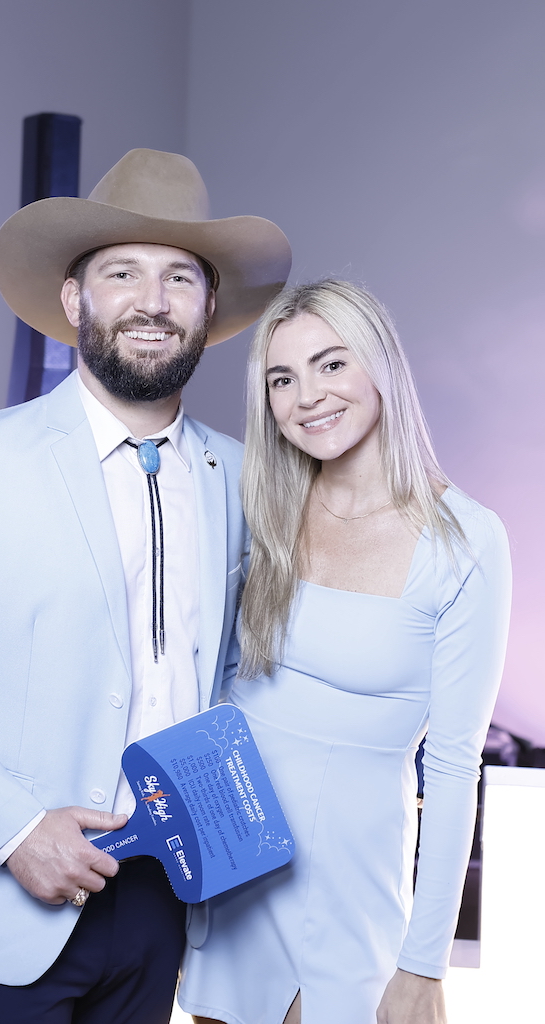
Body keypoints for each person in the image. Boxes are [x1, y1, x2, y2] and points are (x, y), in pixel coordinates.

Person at [0, 148, 291, 1023]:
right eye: (122, 272)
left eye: (180, 277)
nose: (152, 300)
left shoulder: (243, 479)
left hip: (161, 909)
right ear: (74, 300)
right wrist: (16, 832)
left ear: (208, 310)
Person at [178, 280, 511, 1024]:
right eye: (281, 378)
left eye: (331, 365)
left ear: (380, 367)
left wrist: (424, 963)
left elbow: (455, 765)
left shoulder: (466, 539)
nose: (307, 397)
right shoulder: (262, 505)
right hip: (234, 874)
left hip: (352, 892)